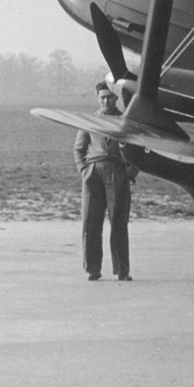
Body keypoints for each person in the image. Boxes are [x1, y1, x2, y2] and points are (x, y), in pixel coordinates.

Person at [74, 81, 140, 281]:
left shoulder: (125, 120)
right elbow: (79, 149)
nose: (106, 101)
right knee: (91, 222)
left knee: (119, 222)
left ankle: (122, 270)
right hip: (93, 173)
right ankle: (93, 269)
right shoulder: (90, 120)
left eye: (109, 97)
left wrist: (131, 172)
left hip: (117, 173)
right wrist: (84, 170)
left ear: (116, 98)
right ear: (98, 99)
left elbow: (140, 149)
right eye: (102, 97)